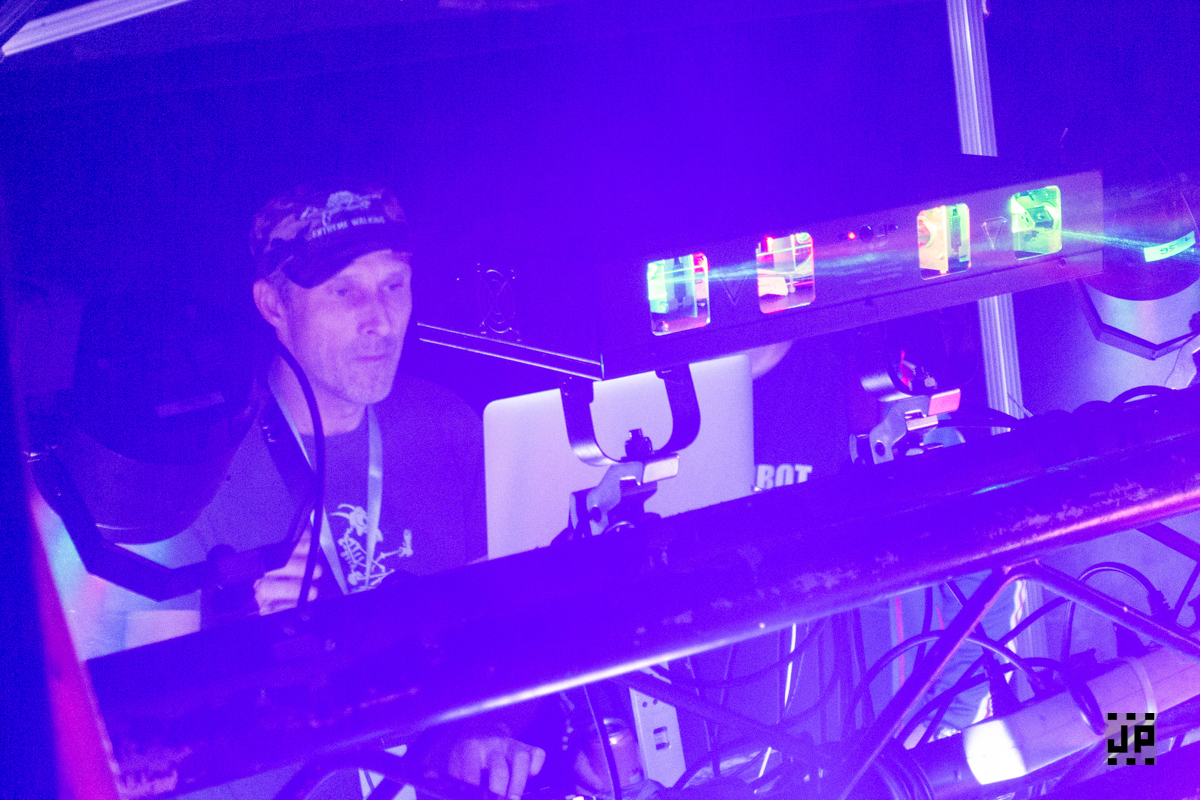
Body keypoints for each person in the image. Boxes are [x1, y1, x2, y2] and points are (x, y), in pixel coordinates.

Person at [162, 184, 546, 799]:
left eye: (394, 285)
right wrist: (242, 649)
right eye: (345, 292)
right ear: (273, 304)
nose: (381, 320)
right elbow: (136, 737)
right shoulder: (195, 470)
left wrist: (482, 732)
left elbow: (500, 631)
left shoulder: (449, 427)